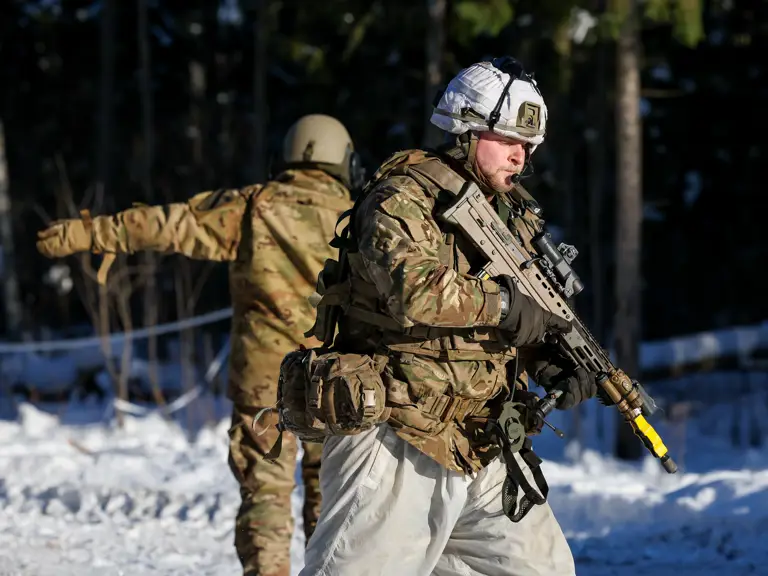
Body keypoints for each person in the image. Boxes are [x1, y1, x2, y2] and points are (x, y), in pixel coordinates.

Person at [295, 58, 598, 575]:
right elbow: (414, 292)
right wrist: (506, 308)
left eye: (527, 146)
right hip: (398, 435)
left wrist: (549, 356)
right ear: (466, 127)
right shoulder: (402, 198)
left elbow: (521, 311)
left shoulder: (514, 215)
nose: (520, 156)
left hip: (482, 441)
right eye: (508, 140)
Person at [36, 114, 363, 576]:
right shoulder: (361, 216)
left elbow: (169, 224)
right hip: (333, 382)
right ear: (345, 161)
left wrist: (88, 233)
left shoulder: (253, 206)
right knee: (330, 498)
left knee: (264, 494)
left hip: (263, 381)